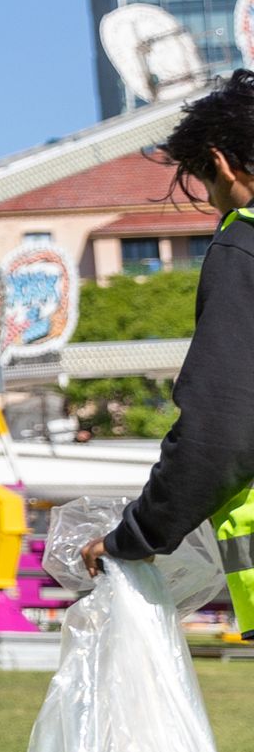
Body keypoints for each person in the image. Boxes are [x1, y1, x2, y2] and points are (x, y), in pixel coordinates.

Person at [104, 70, 254, 617]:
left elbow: (221, 434)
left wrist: (134, 536)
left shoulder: (245, 245)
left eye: (209, 187)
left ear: (220, 161)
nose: (216, 206)